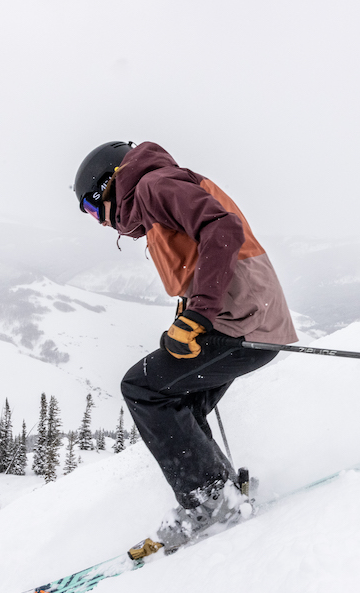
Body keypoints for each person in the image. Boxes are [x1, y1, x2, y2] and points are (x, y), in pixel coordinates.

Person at [74, 141, 298, 550]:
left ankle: (210, 502)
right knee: (179, 403)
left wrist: (199, 315)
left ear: (108, 185)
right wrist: (189, 313)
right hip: (249, 319)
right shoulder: (156, 193)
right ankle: (222, 493)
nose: (100, 222)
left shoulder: (152, 186)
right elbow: (201, 253)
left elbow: (222, 229)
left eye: (92, 208)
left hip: (243, 322)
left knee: (142, 389)